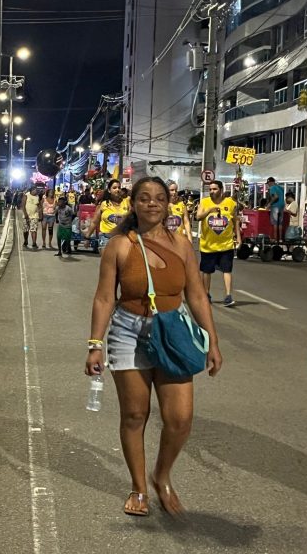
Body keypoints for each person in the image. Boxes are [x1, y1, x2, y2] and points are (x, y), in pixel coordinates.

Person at [85, 176, 222, 517]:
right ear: (133, 203)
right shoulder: (119, 245)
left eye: (159, 198)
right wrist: (94, 344)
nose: (152, 203)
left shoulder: (181, 245)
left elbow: (197, 295)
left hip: (172, 332)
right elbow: (104, 298)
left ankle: (161, 476)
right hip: (127, 332)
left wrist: (212, 341)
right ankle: (139, 488)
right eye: (144, 198)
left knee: (180, 419)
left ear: (168, 204)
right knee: (135, 415)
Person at [196, 181, 240, 306]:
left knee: (227, 269)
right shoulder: (204, 202)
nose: (212, 191)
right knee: (207, 271)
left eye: (215, 189)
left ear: (221, 190)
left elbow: (235, 221)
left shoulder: (230, 203)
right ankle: (206, 294)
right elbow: (198, 217)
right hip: (208, 245)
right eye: (210, 189)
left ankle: (228, 296)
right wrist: (209, 210)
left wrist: (238, 237)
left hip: (226, 244)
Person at [85, 179, 130, 250]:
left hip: (123, 238)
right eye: (114, 188)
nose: (117, 190)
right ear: (109, 190)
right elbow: (94, 222)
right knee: (107, 260)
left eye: (119, 187)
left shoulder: (127, 202)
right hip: (105, 238)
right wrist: (87, 237)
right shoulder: (103, 204)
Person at [265, 177, 285, 242]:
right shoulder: (280, 188)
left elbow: (276, 197)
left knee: (275, 223)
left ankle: (276, 239)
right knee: (280, 223)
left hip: (275, 206)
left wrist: (269, 204)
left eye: (268, 183)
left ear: (270, 182)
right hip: (282, 206)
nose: (268, 185)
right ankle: (280, 239)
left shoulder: (272, 188)